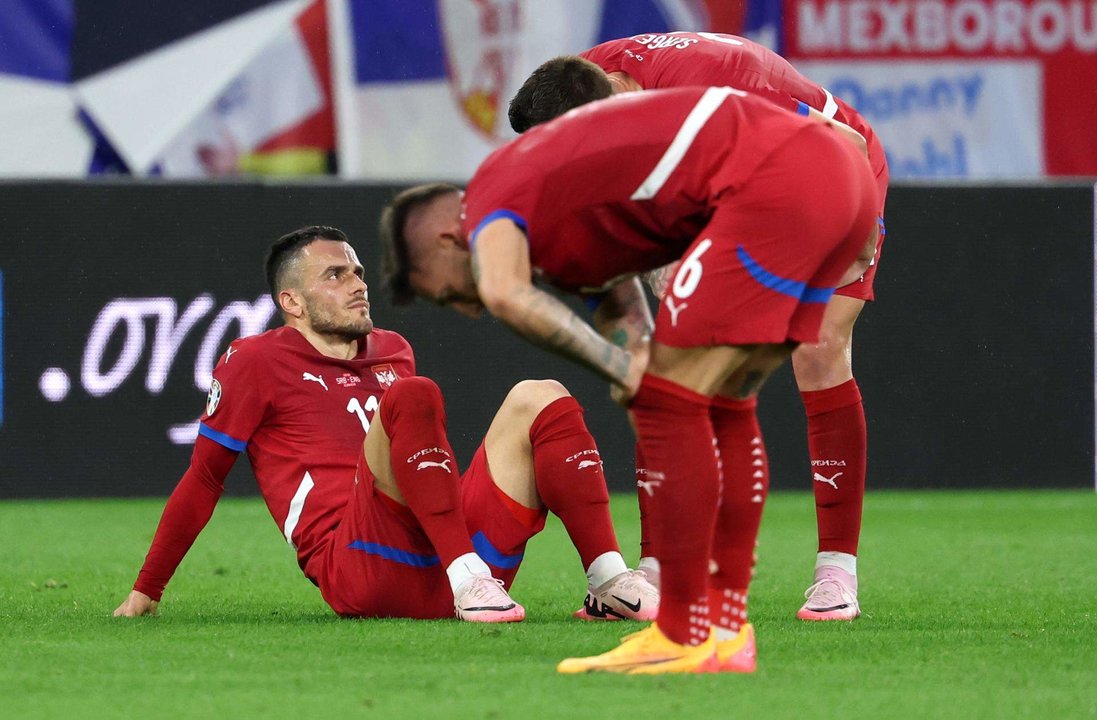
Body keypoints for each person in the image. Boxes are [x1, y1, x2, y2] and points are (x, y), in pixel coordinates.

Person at [378, 84, 878, 672]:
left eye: (445, 294)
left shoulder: (492, 194)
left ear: (445, 241)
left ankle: (687, 630)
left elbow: (506, 293)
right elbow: (620, 310)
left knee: (670, 399)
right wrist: (630, 359)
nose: (467, 310)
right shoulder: (569, 221)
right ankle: (722, 632)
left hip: (779, 184)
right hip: (837, 178)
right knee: (723, 399)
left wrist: (622, 370)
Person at [508, 32, 890, 622]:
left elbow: (838, 143)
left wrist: (861, 238)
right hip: (721, 188)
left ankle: (837, 572)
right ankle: (657, 572)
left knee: (818, 348)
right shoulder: (584, 80)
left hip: (829, 167)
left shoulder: (709, 87)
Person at [113, 225, 657, 624]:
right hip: (361, 567)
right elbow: (205, 477)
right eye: (335, 275)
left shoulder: (393, 350)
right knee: (412, 396)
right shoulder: (254, 360)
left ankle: (606, 578)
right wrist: (146, 590)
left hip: (456, 560)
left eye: (357, 272)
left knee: (541, 396)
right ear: (292, 302)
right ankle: (468, 579)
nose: (357, 284)